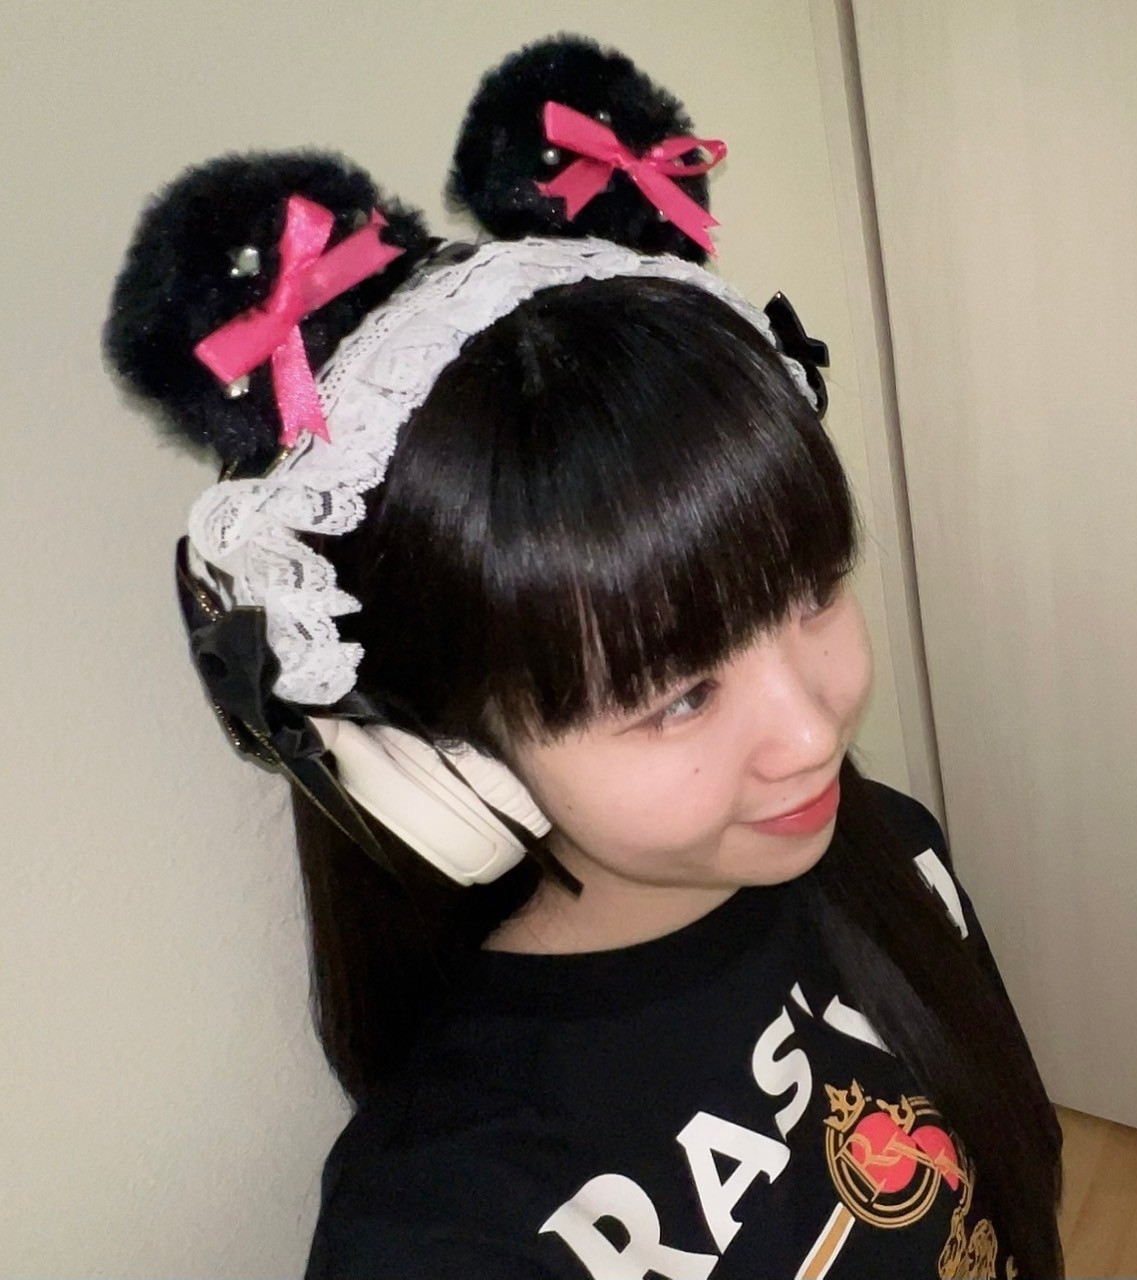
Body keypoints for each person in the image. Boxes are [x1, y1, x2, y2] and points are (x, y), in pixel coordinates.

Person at [105, 35, 1062, 1280]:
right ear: (434, 765)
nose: (810, 729)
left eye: (812, 593)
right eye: (678, 693)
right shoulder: (450, 1224)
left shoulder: (893, 851)